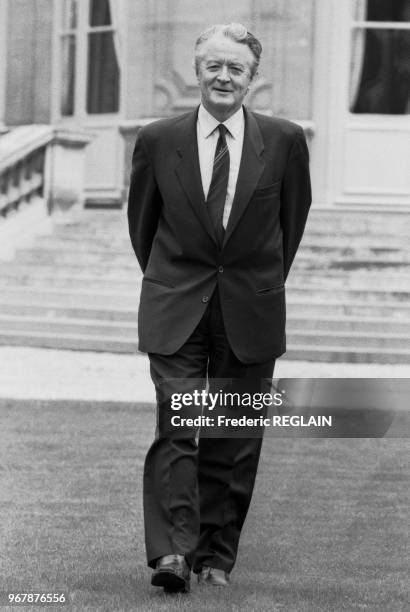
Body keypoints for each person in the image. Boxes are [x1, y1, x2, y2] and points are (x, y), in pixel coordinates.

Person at [127, 22, 311, 593]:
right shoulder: (158, 139)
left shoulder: (283, 140)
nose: (223, 76)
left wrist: (253, 287)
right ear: (196, 70)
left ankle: (216, 558)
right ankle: (172, 556)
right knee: (178, 427)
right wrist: (172, 282)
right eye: (213, 66)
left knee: (232, 436)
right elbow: (143, 225)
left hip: (249, 309)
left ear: (252, 78)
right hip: (176, 304)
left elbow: (291, 226)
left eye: (236, 68)